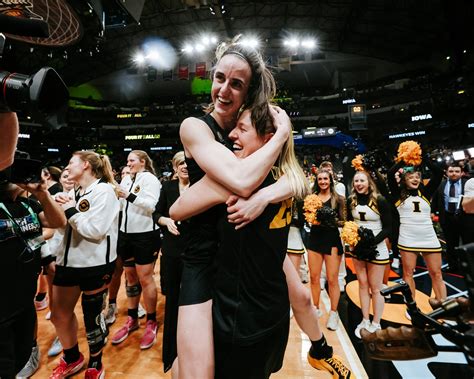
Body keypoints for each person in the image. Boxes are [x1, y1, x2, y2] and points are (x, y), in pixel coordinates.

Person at [171, 107, 353, 379]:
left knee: (302, 298)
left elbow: (298, 179)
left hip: (268, 276)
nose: (231, 134)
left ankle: (321, 350)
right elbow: (176, 210)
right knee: (187, 367)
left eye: (242, 129)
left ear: (268, 139)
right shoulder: (233, 177)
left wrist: (263, 197)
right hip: (238, 299)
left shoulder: (280, 176)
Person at [172, 37, 295, 379]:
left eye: (236, 84)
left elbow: (296, 178)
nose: (224, 90)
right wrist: (282, 135)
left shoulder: (249, 128)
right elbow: (240, 181)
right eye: (219, 78)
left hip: (239, 261)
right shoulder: (195, 127)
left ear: (248, 91)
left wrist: (264, 196)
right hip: (203, 259)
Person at [50, 151, 120, 379]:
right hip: (67, 262)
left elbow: (95, 231)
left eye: (71, 162)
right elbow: (63, 228)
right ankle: (72, 357)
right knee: (60, 314)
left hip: (95, 265)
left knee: (93, 319)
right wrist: (60, 209)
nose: (67, 167)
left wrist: (69, 208)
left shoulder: (105, 191)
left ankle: (96, 363)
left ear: (86, 165)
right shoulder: (73, 191)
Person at [0, 161, 66, 379]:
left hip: (25, 296)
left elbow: (57, 222)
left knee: (20, 355)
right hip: (3, 300)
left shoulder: (28, 203)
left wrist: (43, 194)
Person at [111, 150, 161, 350]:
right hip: (125, 234)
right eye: (127, 161)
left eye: (132, 160)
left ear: (142, 162)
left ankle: (151, 320)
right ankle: (132, 318)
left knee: (145, 277)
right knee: (130, 276)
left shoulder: (151, 180)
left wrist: (128, 195)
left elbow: (151, 205)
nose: (128, 163)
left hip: (144, 235)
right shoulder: (126, 180)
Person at [387, 157, 446, 305]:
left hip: (429, 237)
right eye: (410, 177)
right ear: (404, 180)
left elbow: (438, 173)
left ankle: (443, 304)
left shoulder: (426, 192)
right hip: (408, 238)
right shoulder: (398, 195)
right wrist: (402, 159)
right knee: (408, 273)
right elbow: (390, 174)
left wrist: (423, 158)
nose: (415, 179)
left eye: (417, 176)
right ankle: (412, 307)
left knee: (437, 273)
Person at [153, 151, 189, 378]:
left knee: (194, 301)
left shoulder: (201, 186)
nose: (184, 166)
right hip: (173, 250)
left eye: (187, 163)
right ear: (175, 167)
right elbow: (155, 213)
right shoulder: (167, 188)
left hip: (196, 250)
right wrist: (165, 220)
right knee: (173, 298)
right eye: (180, 163)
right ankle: (172, 351)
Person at [346, 171, 392, 338]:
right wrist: (353, 241)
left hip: (376, 247)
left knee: (376, 287)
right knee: (363, 284)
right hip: (358, 248)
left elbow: (388, 227)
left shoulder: (380, 200)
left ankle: (376, 323)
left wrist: (371, 242)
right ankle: (365, 319)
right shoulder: (351, 201)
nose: (359, 183)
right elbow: (349, 223)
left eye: (362, 180)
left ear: (369, 182)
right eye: (356, 180)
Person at [306, 170, 346, 330]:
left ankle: (334, 313)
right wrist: (313, 220)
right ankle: (315, 309)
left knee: (332, 279)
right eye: (320, 179)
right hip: (315, 239)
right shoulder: (312, 199)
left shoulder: (339, 199)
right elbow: (307, 218)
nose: (323, 181)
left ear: (331, 180)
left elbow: (343, 221)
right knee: (314, 278)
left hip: (332, 240)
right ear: (317, 181)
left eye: (325, 179)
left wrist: (331, 220)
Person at [431, 162, 467, 272]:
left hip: (464, 218)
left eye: (457, 171)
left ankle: (468, 266)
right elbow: (436, 199)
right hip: (446, 217)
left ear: (462, 173)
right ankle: (453, 266)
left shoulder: (468, 184)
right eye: (451, 171)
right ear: (447, 172)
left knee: (467, 242)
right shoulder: (441, 184)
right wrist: (432, 211)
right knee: (450, 244)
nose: (454, 174)